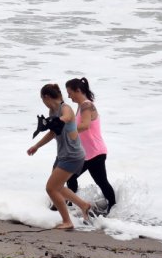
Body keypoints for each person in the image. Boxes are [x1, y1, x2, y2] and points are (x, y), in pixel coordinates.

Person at [27, 83, 93, 229]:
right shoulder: (52, 111)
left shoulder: (65, 108)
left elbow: (67, 117)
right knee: (58, 187)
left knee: (51, 188)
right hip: (63, 155)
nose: (43, 102)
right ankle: (84, 205)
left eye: (42, 99)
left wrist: (56, 120)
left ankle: (67, 222)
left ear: (46, 97)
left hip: (72, 156)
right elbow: (53, 133)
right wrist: (36, 146)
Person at [65, 77, 117, 216]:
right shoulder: (81, 106)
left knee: (102, 182)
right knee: (70, 177)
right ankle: (70, 205)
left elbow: (85, 125)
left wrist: (67, 129)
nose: (69, 96)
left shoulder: (86, 106)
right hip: (86, 154)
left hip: (95, 153)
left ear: (78, 90)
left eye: (70, 93)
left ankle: (113, 210)